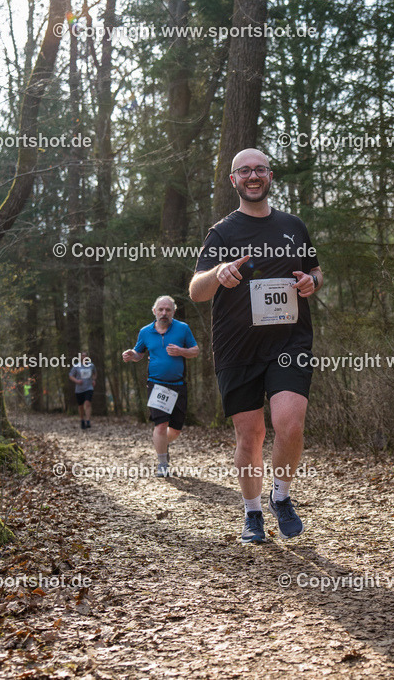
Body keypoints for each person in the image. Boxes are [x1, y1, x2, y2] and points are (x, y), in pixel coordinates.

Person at [189, 148, 322, 544]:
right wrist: (219, 272)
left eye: (259, 169)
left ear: (269, 176)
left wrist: (313, 282)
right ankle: (252, 514)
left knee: (290, 424)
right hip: (237, 347)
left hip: (289, 340)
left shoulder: (293, 226)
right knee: (251, 437)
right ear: (233, 180)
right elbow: (196, 290)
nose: (252, 175)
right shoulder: (223, 232)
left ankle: (281, 497)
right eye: (244, 170)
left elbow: (314, 270)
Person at [122, 295, 199, 477]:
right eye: (161, 309)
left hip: (178, 384)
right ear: (154, 311)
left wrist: (181, 351)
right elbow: (139, 353)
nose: (164, 313)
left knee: (176, 429)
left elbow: (195, 351)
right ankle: (162, 463)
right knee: (161, 424)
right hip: (157, 385)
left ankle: (163, 444)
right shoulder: (145, 332)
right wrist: (131, 354)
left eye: (168, 310)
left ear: (173, 311)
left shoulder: (183, 329)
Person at [68, 352, 95, 429]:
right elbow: (70, 375)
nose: (84, 357)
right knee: (80, 406)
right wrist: (76, 381)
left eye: (85, 355)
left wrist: (93, 380)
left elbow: (94, 374)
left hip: (89, 387)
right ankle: (82, 420)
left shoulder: (91, 365)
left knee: (87, 403)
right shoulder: (76, 366)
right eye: (82, 356)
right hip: (79, 389)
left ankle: (88, 420)